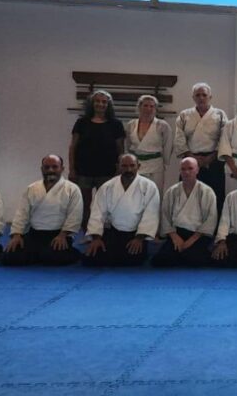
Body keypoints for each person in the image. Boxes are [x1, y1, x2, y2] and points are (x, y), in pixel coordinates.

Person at [1, 154, 83, 266]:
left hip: (58, 234)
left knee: (51, 256)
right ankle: (39, 253)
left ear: (62, 169)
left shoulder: (72, 189)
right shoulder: (32, 188)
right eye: (47, 167)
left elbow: (75, 215)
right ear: (42, 169)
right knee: (8, 257)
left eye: (55, 167)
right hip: (34, 234)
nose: (50, 170)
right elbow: (22, 214)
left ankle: (70, 252)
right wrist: (17, 235)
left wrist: (63, 235)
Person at [83, 154, 160, 267]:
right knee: (92, 259)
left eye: (132, 166)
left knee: (133, 260)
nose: (128, 170)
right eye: (124, 166)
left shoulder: (149, 186)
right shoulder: (107, 187)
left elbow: (151, 215)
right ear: (118, 166)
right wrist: (96, 238)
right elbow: (97, 213)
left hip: (136, 234)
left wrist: (139, 238)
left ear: (138, 166)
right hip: (113, 232)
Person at [69, 90, 125, 229]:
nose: (101, 104)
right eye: (97, 101)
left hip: (107, 171)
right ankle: (85, 232)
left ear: (108, 105)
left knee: (105, 205)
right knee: (84, 204)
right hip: (83, 170)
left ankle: (100, 233)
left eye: (104, 102)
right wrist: (72, 169)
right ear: (92, 103)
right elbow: (73, 147)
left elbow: (120, 150)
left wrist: (119, 170)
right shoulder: (81, 123)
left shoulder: (116, 124)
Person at [151, 157, 218, 267]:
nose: (186, 172)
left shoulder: (207, 192)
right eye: (183, 169)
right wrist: (174, 236)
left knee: (195, 259)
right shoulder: (172, 191)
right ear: (180, 171)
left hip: (198, 234)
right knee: (160, 260)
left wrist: (191, 241)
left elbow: (211, 218)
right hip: (177, 233)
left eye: (190, 168)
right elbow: (165, 216)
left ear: (197, 170)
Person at [174, 82, 229, 217]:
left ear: (210, 97)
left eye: (204, 95)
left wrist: (210, 157)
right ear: (193, 97)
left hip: (214, 160)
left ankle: (215, 226)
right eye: (198, 95)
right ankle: (187, 224)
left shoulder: (220, 114)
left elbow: (225, 137)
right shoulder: (184, 115)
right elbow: (179, 137)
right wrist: (191, 157)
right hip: (190, 158)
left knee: (215, 195)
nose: (201, 98)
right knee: (188, 194)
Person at [125, 95, 172, 192]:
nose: (148, 109)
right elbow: (128, 145)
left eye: (152, 106)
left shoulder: (162, 125)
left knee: (155, 193)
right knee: (135, 193)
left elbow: (168, 145)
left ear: (155, 109)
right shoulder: (131, 125)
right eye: (145, 105)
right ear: (139, 107)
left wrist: (165, 163)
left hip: (155, 166)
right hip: (136, 165)